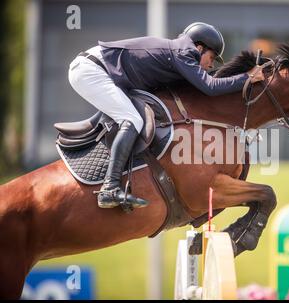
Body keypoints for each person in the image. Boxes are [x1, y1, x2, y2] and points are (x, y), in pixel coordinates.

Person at [68, 22, 264, 211]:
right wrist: (248, 78)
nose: (211, 64)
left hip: (98, 70)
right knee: (133, 119)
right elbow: (210, 87)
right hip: (91, 70)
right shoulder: (184, 52)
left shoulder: (180, 53)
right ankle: (109, 188)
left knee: (132, 117)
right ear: (199, 47)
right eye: (211, 57)